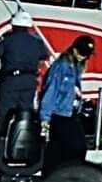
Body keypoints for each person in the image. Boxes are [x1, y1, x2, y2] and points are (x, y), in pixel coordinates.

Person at [38, 36, 96, 174]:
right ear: (74, 50)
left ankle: (52, 175)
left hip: (69, 112)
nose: (83, 57)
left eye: (86, 54)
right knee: (77, 147)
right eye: (81, 53)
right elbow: (51, 90)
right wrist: (45, 117)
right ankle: (69, 174)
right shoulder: (62, 66)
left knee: (57, 148)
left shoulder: (75, 66)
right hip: (60, 113)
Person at [0, 13, 49, 139]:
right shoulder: (37, 41)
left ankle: (0, 145)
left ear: (14, 25)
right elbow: (42, 62)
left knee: (4, 113)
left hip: (10, 80)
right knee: (25, 113)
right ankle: (23, 143)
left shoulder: (7, 39)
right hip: (30, 80)